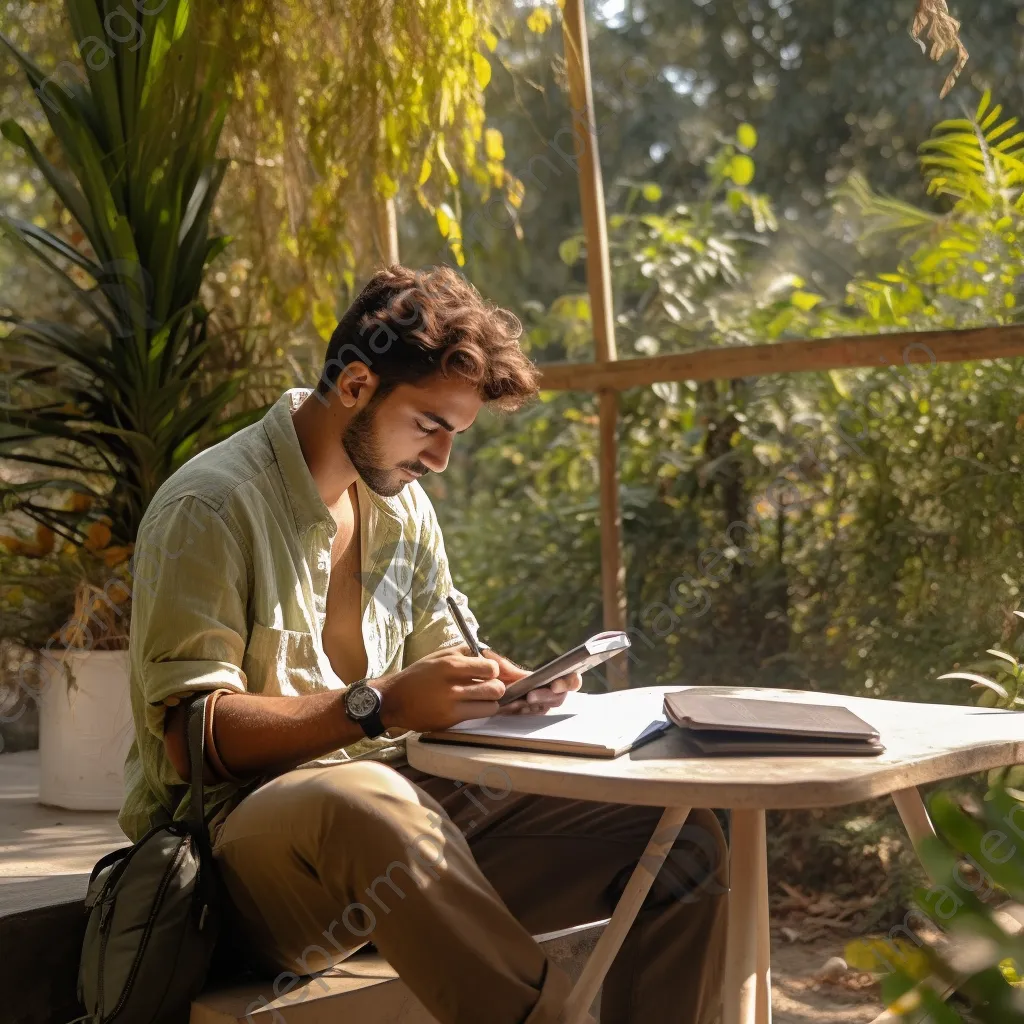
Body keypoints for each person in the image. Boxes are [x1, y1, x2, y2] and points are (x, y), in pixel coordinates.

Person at [119, 264, 728, 1024]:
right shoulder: (211, 506)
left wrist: (503, 691)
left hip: (404, 840)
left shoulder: (401, 509)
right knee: (366, 800)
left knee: (682, 837)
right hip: (240, 871)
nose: (439, 459)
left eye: (454, 435)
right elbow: (190, 741)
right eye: (429, 427)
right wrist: (379, 705)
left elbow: (441, 674)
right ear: (355, 387)